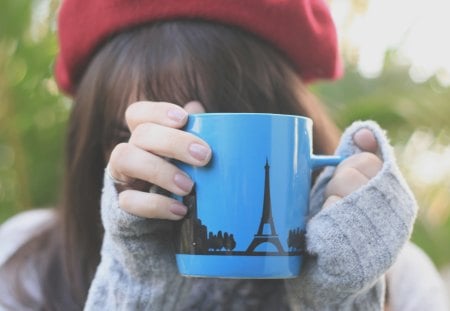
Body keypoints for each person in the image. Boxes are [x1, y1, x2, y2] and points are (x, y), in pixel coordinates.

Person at [0, 0, 448, 310]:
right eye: (136, 138)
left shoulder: (394, 273)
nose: (174, 163)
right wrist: (136, 285)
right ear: (96, 144)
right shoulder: (21, 260)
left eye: (217, 145)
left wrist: (343, 299)